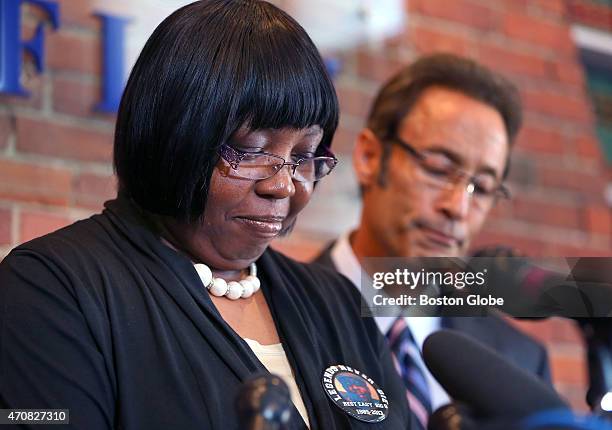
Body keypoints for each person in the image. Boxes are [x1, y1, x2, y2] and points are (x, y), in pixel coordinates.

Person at [0, 1, 412, 429]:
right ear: (174, 137)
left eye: (305, 156)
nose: (283, 185)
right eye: (253, 150)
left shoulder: (336, 302)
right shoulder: (50, 289)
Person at [313, 54, 552, 429]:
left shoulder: (520, 361)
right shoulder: (275, 312)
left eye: (483, 188)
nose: (458, 207)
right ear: (369, 157)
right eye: (439, 170)